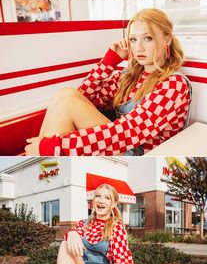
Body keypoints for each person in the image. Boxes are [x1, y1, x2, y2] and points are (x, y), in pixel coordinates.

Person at [25, 8, 192, 156]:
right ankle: (41, 157)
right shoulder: (129, 76)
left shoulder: (174, 84)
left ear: (167, 39)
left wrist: (56, 146)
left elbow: (128, 132)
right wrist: (109, 61)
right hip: (118, 142)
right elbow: (83, 96)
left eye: (148, 38)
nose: (138, 47)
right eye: (133, 39)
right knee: (66, 94)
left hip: (138, 153)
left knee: (66, 106)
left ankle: (41, 158)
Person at [31, 184, 156, 264]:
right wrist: (72, 234)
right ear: (93, 201)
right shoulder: (83, 224)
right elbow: (71, 244)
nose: (101, 200)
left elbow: (122, 257)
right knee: (65, 244)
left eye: (107, 198)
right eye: (98, 196)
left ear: (113, 204)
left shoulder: (116, 227)